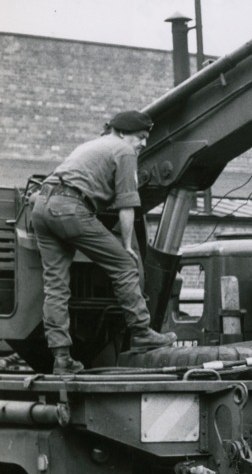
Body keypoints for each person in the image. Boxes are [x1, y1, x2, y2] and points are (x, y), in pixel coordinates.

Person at [31, 110, 176, 374]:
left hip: (42, 206)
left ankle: (61, 357)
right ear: (122, 133)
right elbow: (127, 204)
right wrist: (128, 246)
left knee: (55, 286)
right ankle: (142, 331)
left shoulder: (92, 145)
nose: (143, 143)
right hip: (70, 207)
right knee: (124, 265)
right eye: (140, 137)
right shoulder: (123, 150)